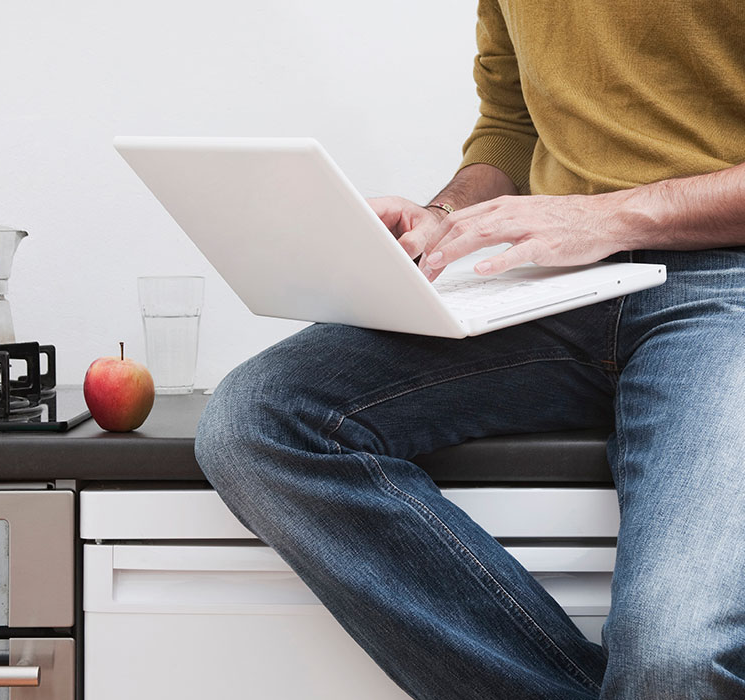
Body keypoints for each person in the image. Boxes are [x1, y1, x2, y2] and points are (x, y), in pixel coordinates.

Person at [194, 1, 745, 698]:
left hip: (729, 282)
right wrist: (445, 214)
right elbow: (511, 122)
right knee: (261, 418)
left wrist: (603, 215)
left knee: (679, 657)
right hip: (557, 278)